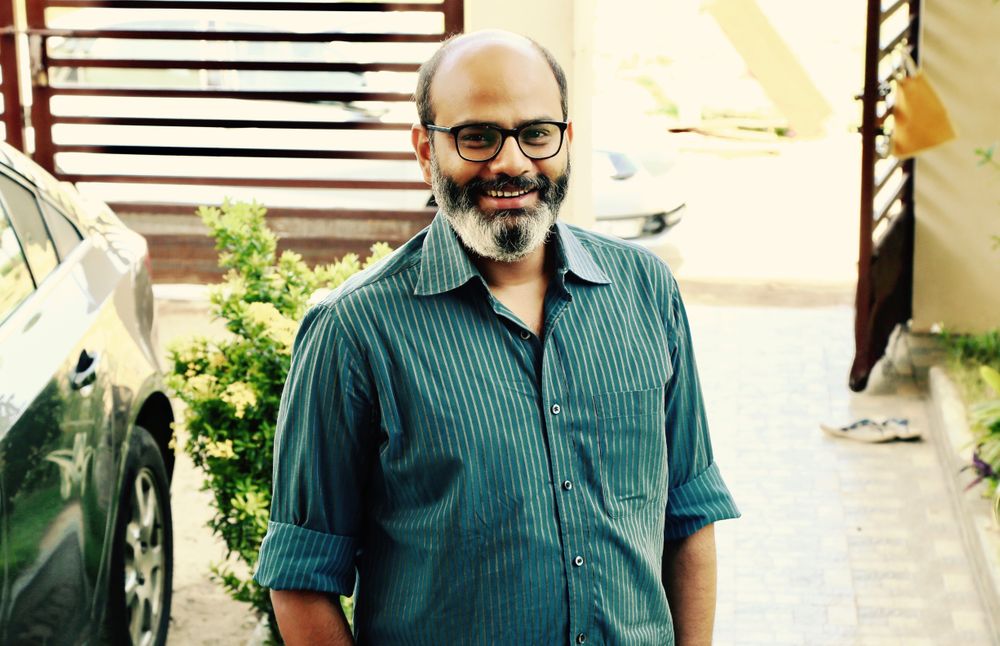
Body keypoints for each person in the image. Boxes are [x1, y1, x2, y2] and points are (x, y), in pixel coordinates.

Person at [254, 29, 740, 645]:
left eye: (536, 133)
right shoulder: (353, 331)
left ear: (566, 139)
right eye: (477, 137)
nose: (511, 163)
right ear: (426, 151)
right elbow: (301, 580)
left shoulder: (645, 291)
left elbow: (689, 514)